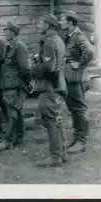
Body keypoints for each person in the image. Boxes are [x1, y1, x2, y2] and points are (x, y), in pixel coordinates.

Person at [32, 14, 67, 167]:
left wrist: (33, 66)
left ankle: (55, 157)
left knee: (51, 121)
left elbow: (49, 67)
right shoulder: (57, 39)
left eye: (40, 23)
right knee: (57, 120)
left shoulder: (49, 42)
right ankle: (62, 153)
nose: (37, 25)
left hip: (49, 86)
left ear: (49, 26)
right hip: (57, 85)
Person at [59, 10, 94, 154]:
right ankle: (76, 137)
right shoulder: (69, 36)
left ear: (70, 22)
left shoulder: (79, 37)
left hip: (78, 78)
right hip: (71, 78)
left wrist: (79, 64)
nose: (60, 22)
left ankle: (82, 141)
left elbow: (90, 52)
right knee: (73, 109)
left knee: (79, 109)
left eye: (62, 20)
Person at [0, 22, 31, 151]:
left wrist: (24, 85)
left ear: (13, 32)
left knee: (12, 112)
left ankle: (7, 140)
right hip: (8, 84)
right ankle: (19, 137)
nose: (5, 32)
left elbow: (25, 69)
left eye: (7, 30)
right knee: (16, 110)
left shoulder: (19, 46)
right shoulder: (8, 46)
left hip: (15, 85)